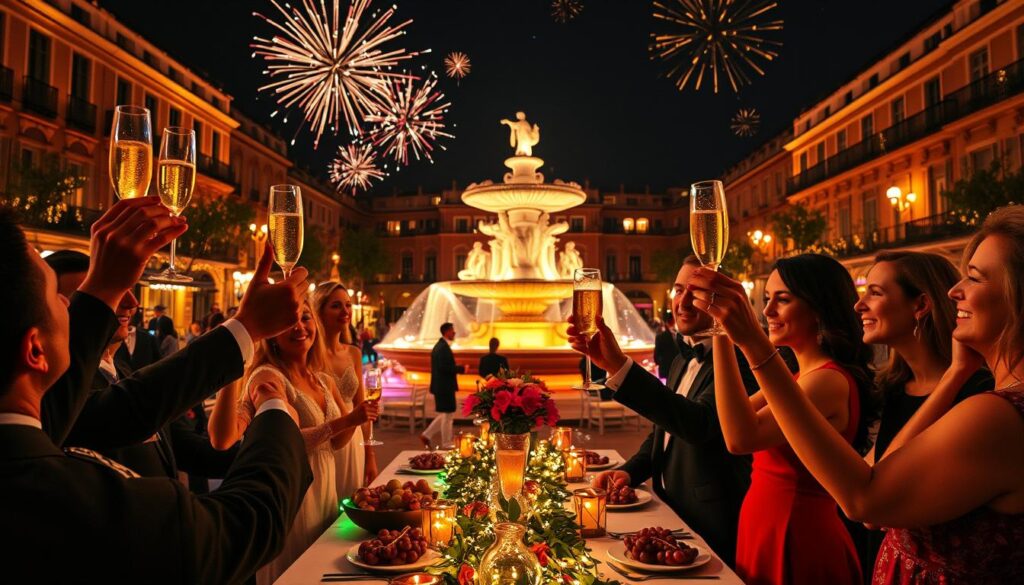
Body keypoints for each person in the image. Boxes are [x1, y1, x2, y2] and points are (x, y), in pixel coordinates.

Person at [690, 206, 1024, 582]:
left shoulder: (997, 412)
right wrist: (956, 372)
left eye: (976, 279)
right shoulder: (911, 386)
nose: (955, 291)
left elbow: (866, 501)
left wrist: (747, 339)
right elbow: (881, 477)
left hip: (800, 539)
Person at [0, 198, 313, 583]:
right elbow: (246, 522)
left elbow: (110, 410)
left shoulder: (35, 431)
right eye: (58, 300)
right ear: (34, 349)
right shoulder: (79, 507)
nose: (72, 308)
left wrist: (103, 288)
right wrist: (275, 408)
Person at [689, 254, 874, 584]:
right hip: (766, 522)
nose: (767, 311)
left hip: (795, 532)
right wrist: (722, 329)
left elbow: (740, 438)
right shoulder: (801, 374)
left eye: (783, 299)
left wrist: (731, 335)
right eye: (766, 299)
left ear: (819, 307)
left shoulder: (826, 380)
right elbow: (735, 417)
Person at [568, 255, 758, 566]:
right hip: (670, 517)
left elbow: (699, 424)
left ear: (720, 301)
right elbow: (665, 430)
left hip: (712, 523)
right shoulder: (681, 358)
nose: (681, 302)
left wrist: (620, 366)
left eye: (694, 293)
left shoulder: (737, 363)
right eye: (678, 289)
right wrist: (628, 472)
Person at [209, 296, 378, 585]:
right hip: (292, 497)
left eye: (305, 318)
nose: (299, 327)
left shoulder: (321, 379)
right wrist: (231, 370)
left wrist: (358, 420)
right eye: (289, 321)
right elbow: (225, 438)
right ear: (271, 335)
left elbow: (335, 444)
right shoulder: (267, 376)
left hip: (325, 490)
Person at [853, 251, 993, 572]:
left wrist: (954, 376)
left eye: (875, 292)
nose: (859, 305)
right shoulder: (896, 386)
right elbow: (866, 477)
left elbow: (874, 507)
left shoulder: (977, 391)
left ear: (920, 305)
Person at [314, 281, 379, 499]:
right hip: (326, 439)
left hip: (355, 443)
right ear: (319, 310)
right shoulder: (311, 357)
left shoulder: (353, 353)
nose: (345, 311)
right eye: (336, 305)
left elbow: (363, 409)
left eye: (348, 305)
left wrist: (370, 455)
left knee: (352, 505)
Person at [422, 322, 465, 449]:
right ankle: (446, 442)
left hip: (443, 385)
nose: (454, 332)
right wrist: (461, 368)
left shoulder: (441, 346)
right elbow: (444, 367)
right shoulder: (442, 348)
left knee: (447, 414)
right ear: (446, 332)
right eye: (452, 330)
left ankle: (426, 435)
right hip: (444, 386)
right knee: (448, 414)